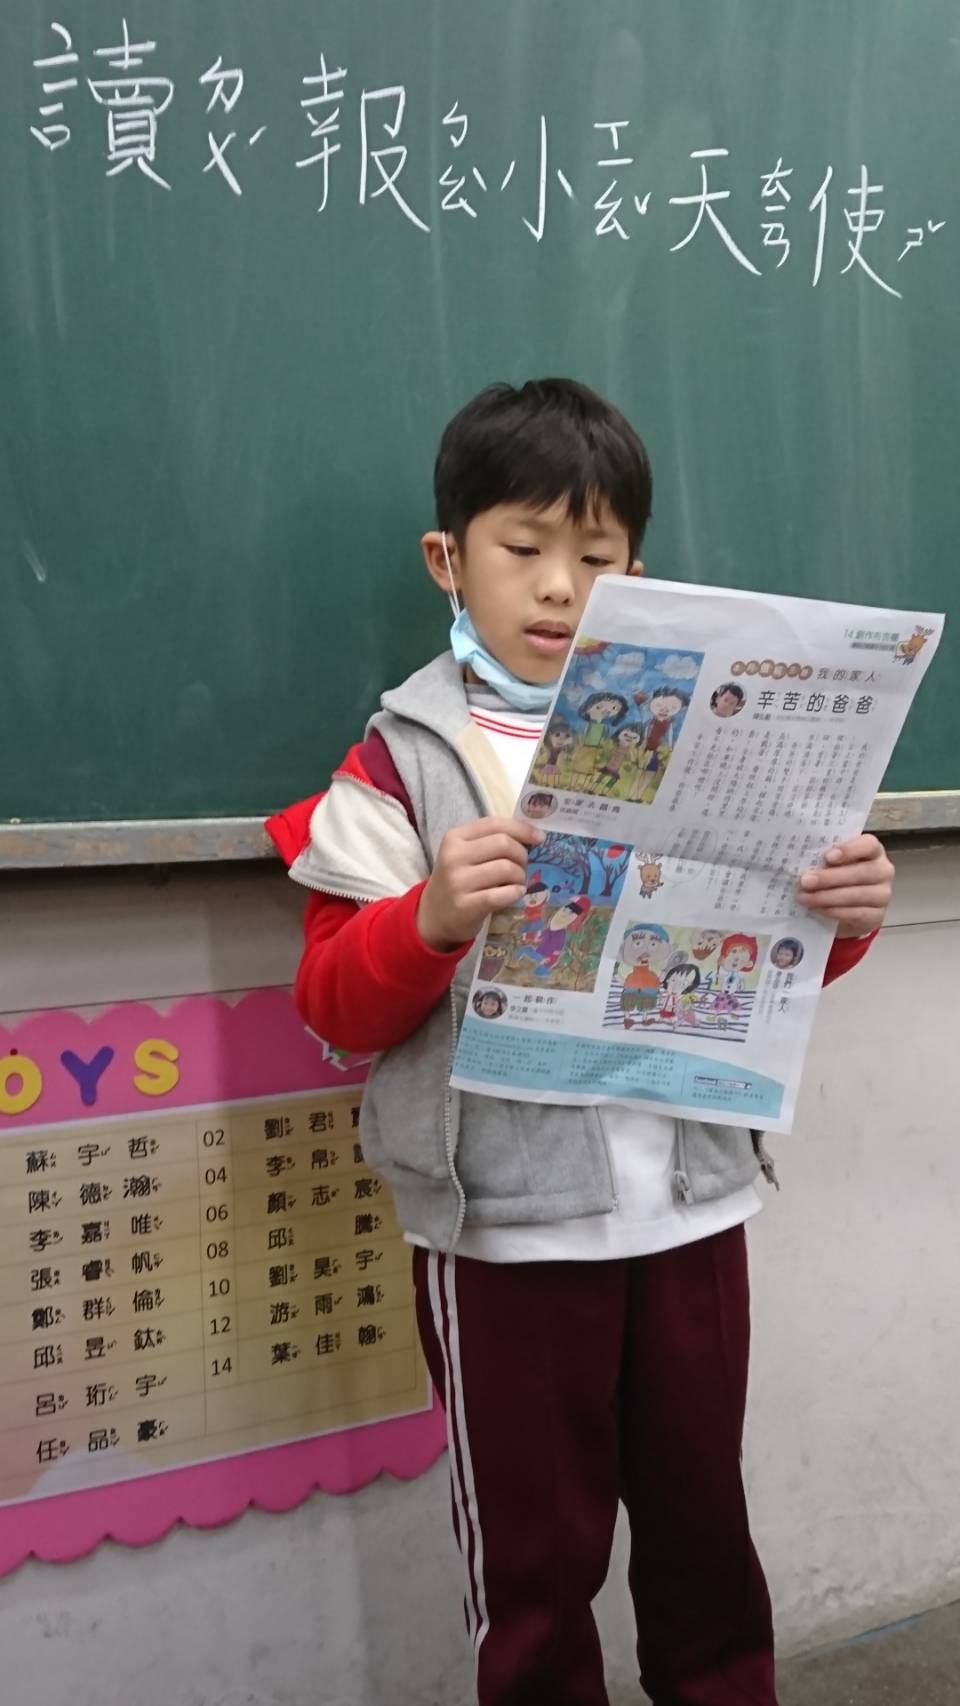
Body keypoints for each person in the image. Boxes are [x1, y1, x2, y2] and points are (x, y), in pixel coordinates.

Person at [267, 378, 896, 1706]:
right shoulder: (397, 764)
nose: (561, 586)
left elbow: (764, 959)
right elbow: (333, 1004)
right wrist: (431, 917)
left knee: (705, 1539)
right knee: (537, 1571)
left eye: (598, 558)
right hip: (506, 1234)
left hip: (691, 1209)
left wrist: (840, 916)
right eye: (524, 547)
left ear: (638, 579)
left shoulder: (713, 732)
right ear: (448, 558)